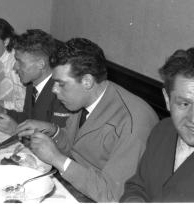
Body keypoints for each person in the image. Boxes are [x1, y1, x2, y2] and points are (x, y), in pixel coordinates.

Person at [17, 38, 159, 202]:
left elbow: (112, 195)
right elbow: (73, 145)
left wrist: (57, 159)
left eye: (61, 84)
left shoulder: (133, 123)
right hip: (77, 187)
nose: (54, 90)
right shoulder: (83, 99)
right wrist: (53, 131)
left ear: (87, 81)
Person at [121, 47, 194, 202]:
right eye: (184, 104)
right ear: (167, 100)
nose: (193, 119)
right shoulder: (163, 129)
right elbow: (138, 186)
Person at [0, 29, 70, 135]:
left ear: (41, 64)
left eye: (20, 62)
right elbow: (28, 118)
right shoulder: (32, 84)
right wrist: (4, 111)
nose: (15, 67)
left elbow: (56, 142)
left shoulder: (61, 94)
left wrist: (16, 130)